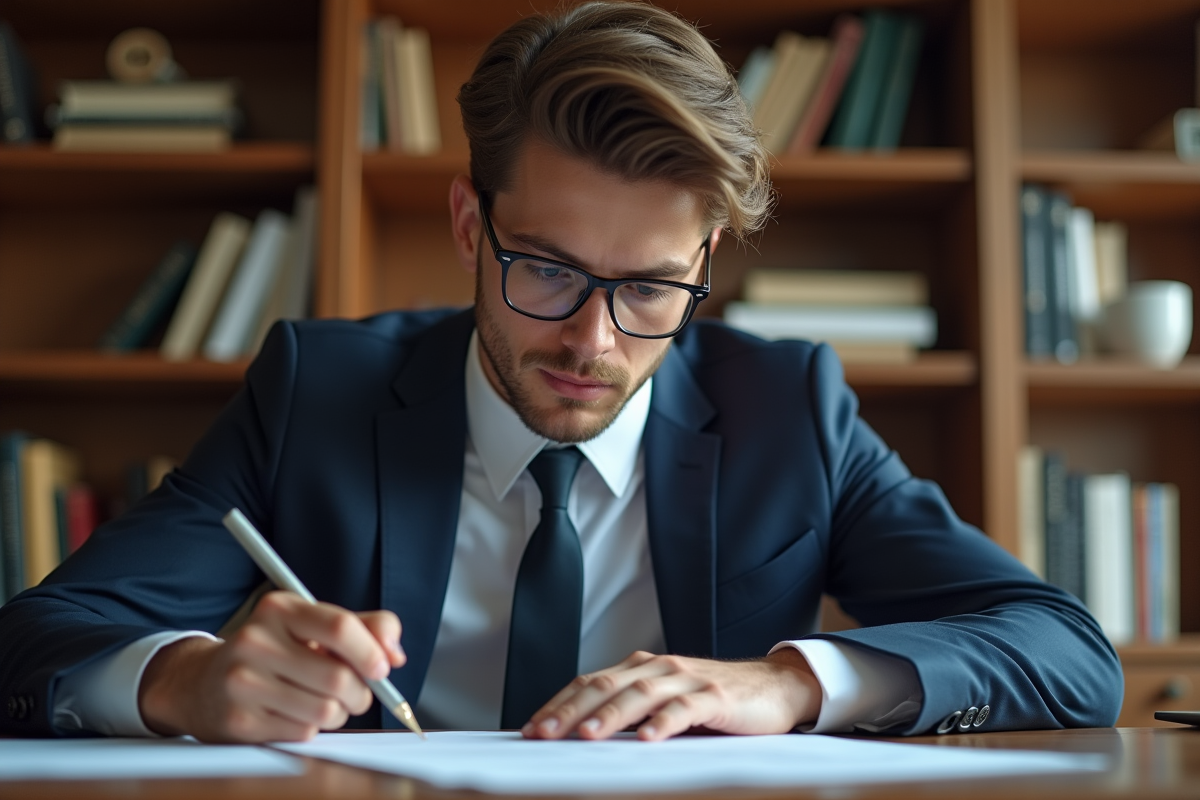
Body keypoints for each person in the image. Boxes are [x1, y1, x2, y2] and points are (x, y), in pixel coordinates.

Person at [0, 1, 1121, 743]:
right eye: (544, 268)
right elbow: (39, 635)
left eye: (649, 288)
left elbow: (1068, 653)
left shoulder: (792, 409)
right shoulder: (316, 390)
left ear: (705, 262)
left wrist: (785, 681)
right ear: (467, 225)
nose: (593, 340)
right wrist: (180, 680)